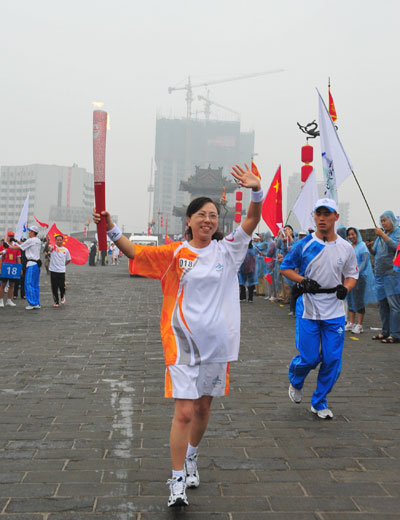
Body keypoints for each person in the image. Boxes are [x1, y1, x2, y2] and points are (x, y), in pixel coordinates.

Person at [93, 163, 262, 507]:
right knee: (184, 412)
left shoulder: (227, 251)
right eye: (201, 214)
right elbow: (135, 252)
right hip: (181, 344)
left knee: (202, 408)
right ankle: (177, 481)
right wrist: (111, 228)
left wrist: (257, 192)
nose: (208, 220)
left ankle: (192, 457)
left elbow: (252, 221)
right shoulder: (174, 253)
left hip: (217, 345)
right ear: (188, 220)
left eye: (213, 215)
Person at [281, 198, 358, 419]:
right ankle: (296, 380)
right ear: (314, 217)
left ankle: (319, 401)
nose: (322, 218)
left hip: (334, 309)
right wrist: (302, 281)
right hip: (309, 308)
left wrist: (347, 287)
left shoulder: (345, 247)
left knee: (333, 359)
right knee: (310, 358)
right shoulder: (304, 244)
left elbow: (352, 274)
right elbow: (286, 267)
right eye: (319, 214)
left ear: (336, 216)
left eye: (327, 214)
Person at [366, 210, 400, 344]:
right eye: (381, 221)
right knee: (382, 305)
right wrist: (370, 248)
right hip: (379, 275)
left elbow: (397, 247)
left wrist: (382, 235)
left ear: (392, 220)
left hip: (392, 275)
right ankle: (385, 331)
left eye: (385, 220)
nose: (383, 223)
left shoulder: (397, 233)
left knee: (394, 305)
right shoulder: (382, 235)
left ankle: (396, 333)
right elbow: (375, 253)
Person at [345, 227, 376, 334]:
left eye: (353, 234)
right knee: (350, 298)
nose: (351, 236)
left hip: (360, 276)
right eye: (349, 235)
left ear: (357, 234)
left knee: (359, 299)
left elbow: (365, 261)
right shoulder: (349, 246)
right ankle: (351, 322)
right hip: (349, 277)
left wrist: (356, 272)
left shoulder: (362, 246)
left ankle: (359, 324)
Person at [13, 225, 42, 310]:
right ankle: (36, 303)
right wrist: (16, 241)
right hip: (36, 265)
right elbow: (24, 244)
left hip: (31, 264)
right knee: (35, 285)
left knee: (28, 283)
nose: (29, 232)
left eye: (30, 231)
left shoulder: (31, 240)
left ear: (33, 232)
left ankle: (32, 303)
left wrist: (9, 247)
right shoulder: (38, 240)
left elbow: (20, 247)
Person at [46, 234, 71, 307]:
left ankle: (62, 296)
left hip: (61, 271)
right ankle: (56, 302)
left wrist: (63, 265)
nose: (59, 241)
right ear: (56, 241)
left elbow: (68, 260)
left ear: (62, 241)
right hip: (53, 270)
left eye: (60, 240)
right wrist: (48, 241)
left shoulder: (65, 250)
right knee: (54, 287)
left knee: (62, 286)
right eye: (58, 240)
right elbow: (48, 247)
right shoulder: (53, 248)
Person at [0, 232, 21, 307]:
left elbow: (18, 258)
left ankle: (9, 300)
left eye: (12, 236)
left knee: (12, 285)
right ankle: (1, 300)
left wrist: (20, 269)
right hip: (5, 267)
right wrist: (0, 268)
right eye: (10, 236)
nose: (11, 237)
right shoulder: (3, 246)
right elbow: (0, 257)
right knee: (3, 284)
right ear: (7, 237)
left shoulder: (16, 247)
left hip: (13, 268)